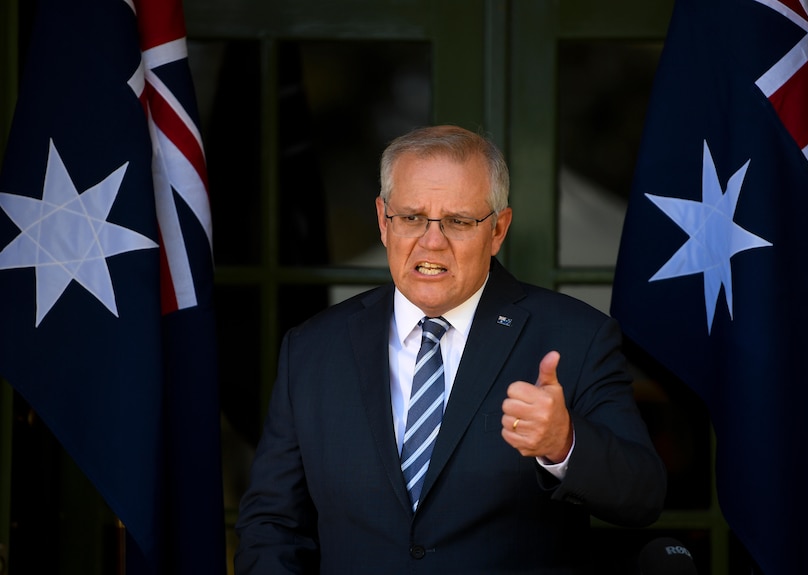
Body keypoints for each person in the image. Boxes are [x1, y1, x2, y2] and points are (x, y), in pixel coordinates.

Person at [234, 125, 666, 574]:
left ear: (498, 230)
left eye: (459, 221)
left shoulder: (575, 336)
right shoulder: (312, 349)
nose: (432, 240)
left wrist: (564, 445)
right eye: (411, 217)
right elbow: (272, 524)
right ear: (384, 221)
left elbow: (643, 497)